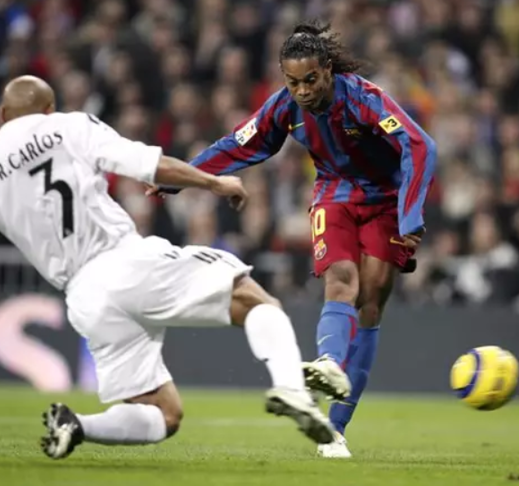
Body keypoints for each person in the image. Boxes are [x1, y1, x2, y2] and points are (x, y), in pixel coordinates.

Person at [0, 75, 340, 460]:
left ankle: (77, 425)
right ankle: (291, 390)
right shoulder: (67, 126)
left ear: (2, 116)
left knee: (164, 414)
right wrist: (215, 183)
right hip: (122, 261)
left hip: (84, 301)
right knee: (253, 298)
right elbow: (147, 164)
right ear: (48, 108)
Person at [150, 21, 437, 458]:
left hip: (386, 199)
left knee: (371, 301)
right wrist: (181, 177)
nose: (302, 91)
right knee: (341, 279)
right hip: (335, 194)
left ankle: (336, 427)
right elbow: (240, 144)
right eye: (293, 82)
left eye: (310, 80)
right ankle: (328, 363)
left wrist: (410, 213)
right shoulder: (284, 106)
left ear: (327, 70)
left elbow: (419, 146)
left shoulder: (364, 99)